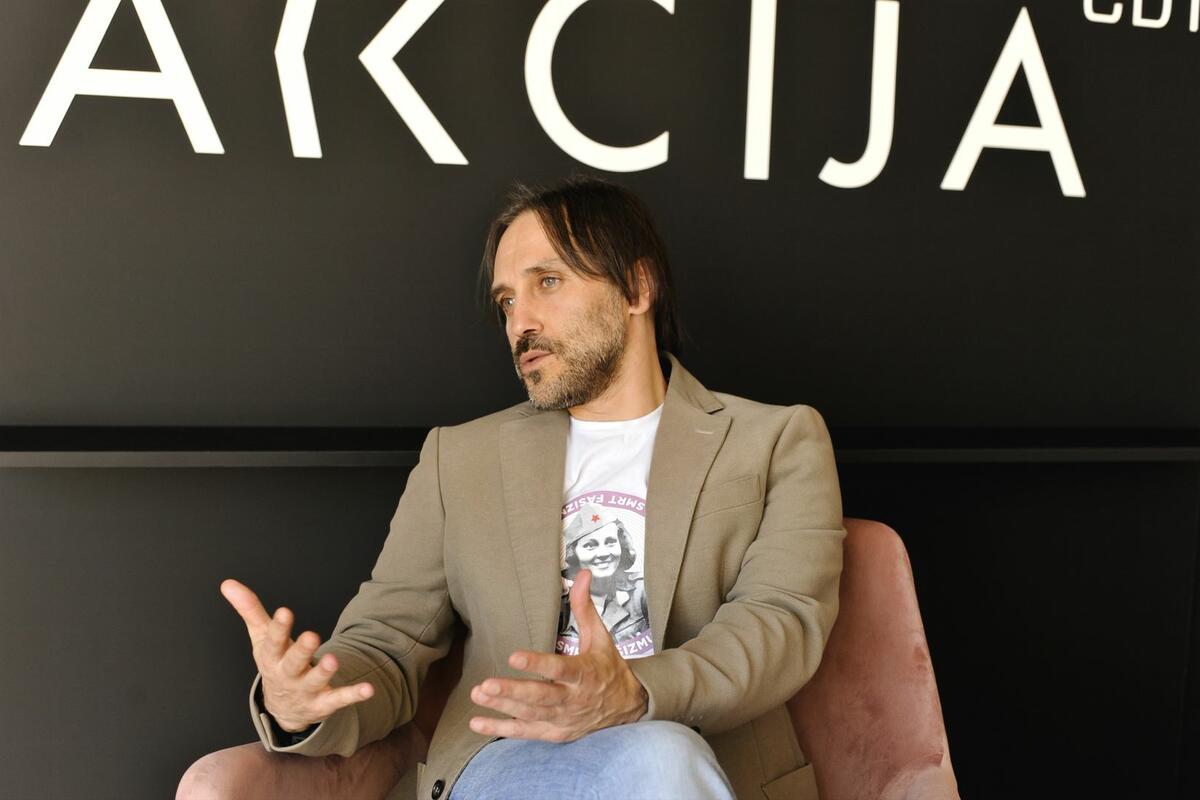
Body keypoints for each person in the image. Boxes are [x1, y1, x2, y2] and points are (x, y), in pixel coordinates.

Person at [220, 174, 846, 800]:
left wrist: (637, 692)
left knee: (661, 755)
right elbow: (386, 643)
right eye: (506, 302)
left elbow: (782, 620)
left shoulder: (775, 440)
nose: (520, 322)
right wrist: (302, 703)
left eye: (547, 282)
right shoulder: (459, 459)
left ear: (636, 287)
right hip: (508, 765)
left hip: (698, 759)